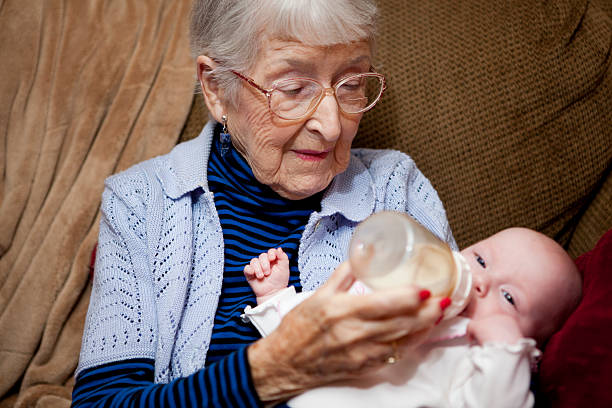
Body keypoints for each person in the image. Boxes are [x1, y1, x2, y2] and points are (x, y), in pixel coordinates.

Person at [71, 1, 455, 406]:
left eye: (352, 83)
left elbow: (467, 354)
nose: (331, 125)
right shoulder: (140, 203)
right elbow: (101, 401)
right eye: (293, 89)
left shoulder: (396, 188)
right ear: (217, 88)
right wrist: (273, 370)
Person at [242, 227, 582, 407]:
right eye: (480, 260)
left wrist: (504, 353)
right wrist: (276, 299)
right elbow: (314, 329)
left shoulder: (482, 362)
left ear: (531, 342)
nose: (480, 283)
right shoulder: (404, 290)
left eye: (509, 297)